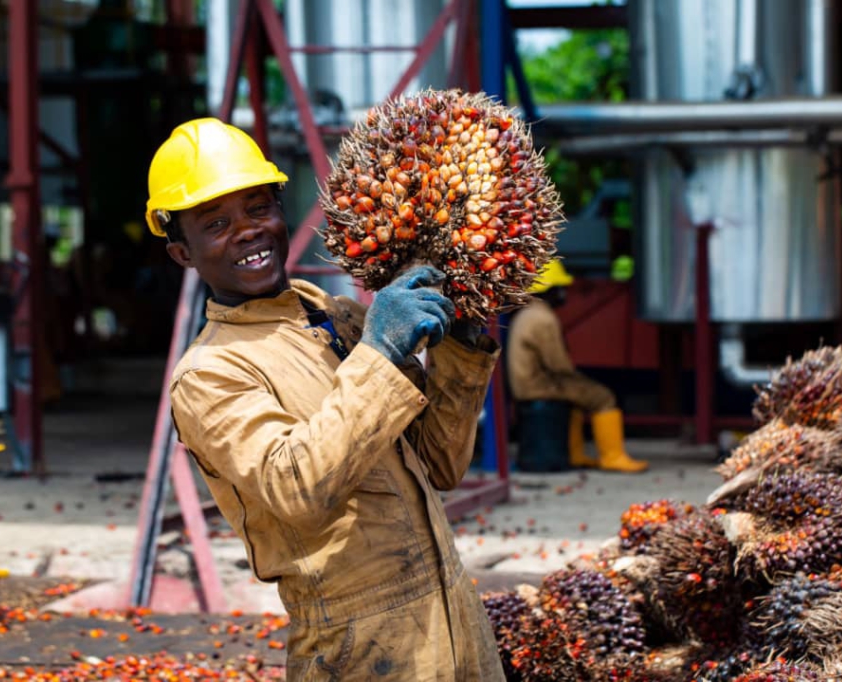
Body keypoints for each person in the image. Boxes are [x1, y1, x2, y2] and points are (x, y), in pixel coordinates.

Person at [145, 118, 504, 680]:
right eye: (216, 223)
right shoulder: (210, 374)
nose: (247, 231)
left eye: (258, 209)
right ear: (182, 254)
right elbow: (296, 489)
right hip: (359, 648)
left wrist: (461, 342)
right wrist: (381, 350)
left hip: (455, 620)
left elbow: (440, 464)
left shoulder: (337, 317)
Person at [506, 259, 648, 473]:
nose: (564, 294)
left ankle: (576, 454)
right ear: (549, 289)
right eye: (560, 288)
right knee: (602, 396)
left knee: (578, 397)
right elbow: (558, 365)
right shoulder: (543, 318)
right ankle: (613, 457)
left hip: (527, 383)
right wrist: (580, 381)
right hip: (538, 385)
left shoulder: (527, 313)